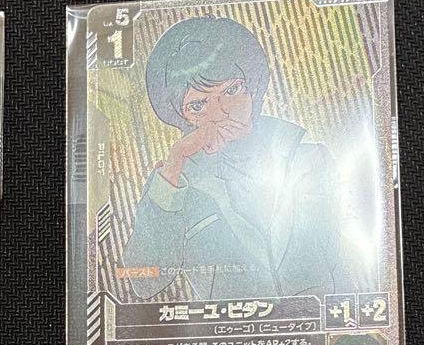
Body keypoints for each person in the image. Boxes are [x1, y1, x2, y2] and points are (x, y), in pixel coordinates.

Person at [121, 16, 350, 302]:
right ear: (182, 116)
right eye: (198, 105)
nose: (221, 112)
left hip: (320, 321)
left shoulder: (311, 160)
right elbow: (144, 282)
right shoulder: (173, 184)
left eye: (231, 90)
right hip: (232, 328)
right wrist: (176, 160)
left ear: (253, 88)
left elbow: (342, 260)